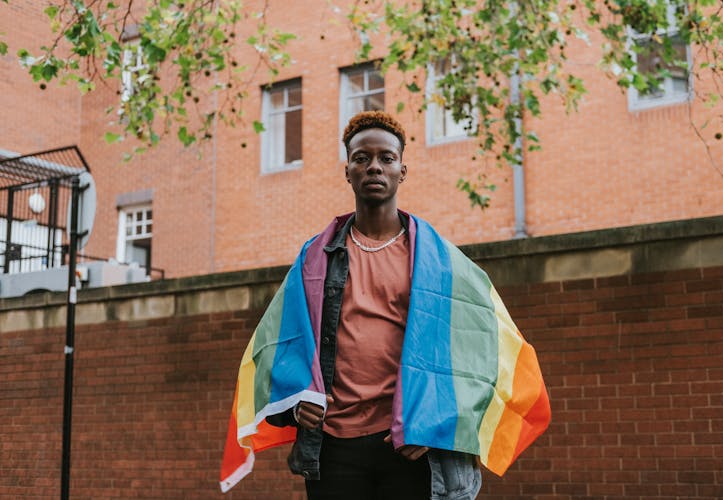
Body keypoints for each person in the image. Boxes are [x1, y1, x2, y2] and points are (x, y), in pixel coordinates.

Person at [220, 111, 550, 499]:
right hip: (334, 445)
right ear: (348, 171)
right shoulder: (314, 257)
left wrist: (437, 422)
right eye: (362, 158)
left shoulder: (440, 260)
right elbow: (279, 343)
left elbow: (484, 349)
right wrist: (295, 407)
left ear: (401, 170)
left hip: (406, 446)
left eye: (386, 158)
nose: (373, 166)